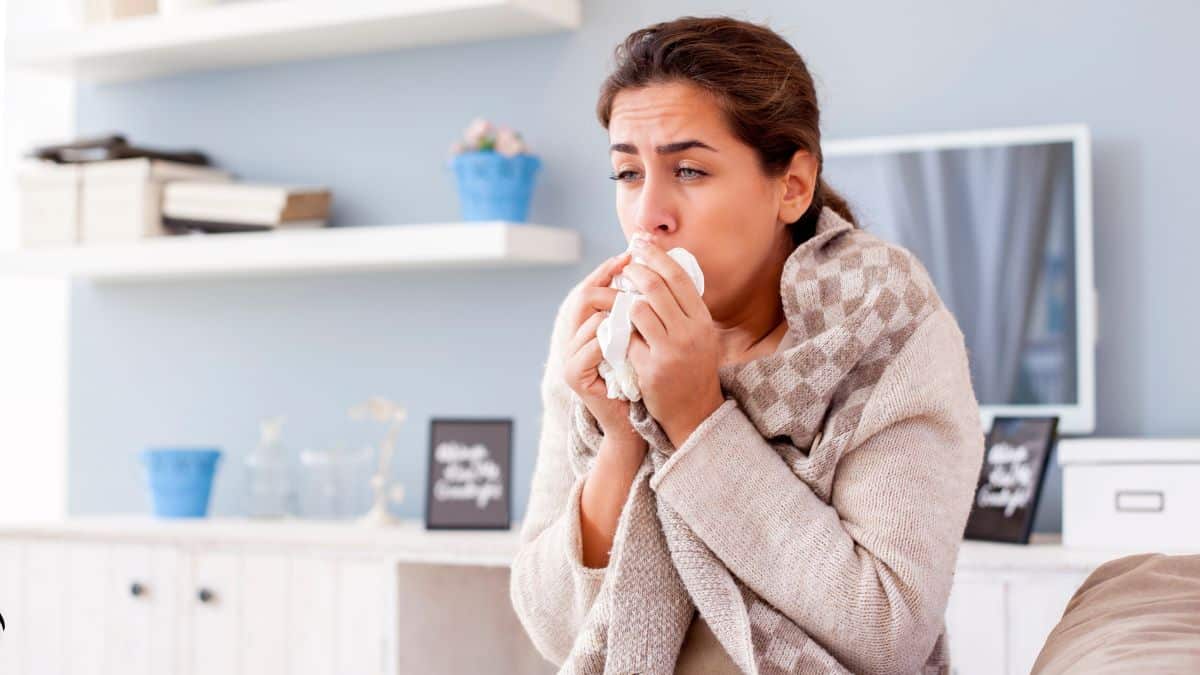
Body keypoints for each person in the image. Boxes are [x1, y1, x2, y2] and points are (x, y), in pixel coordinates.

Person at [511, 15, 984, 675]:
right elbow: (555, 631)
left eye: (691, 170)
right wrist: (621, 440)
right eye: (627, 174)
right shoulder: (595, 327)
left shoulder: (883, 322)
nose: (649, 213)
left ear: (790, 186)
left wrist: (695, 418)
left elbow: (888, 634)